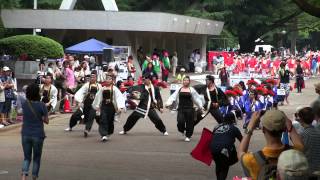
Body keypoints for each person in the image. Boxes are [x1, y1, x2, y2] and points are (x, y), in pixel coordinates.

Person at [238, 110, 304, 180]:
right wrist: (289, 125)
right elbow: (299, 144)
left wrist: (251, 125)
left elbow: (240, 152)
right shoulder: (296, 153)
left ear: (263, 129)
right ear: (285, 129)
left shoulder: (251, 159)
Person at [21, 83, 49, 180]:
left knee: (26, 157)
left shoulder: (25, 104)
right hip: (38, 134)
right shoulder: (42, 105)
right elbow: (47, 121)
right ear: (37, 93)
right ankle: (34, 177)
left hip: (25, 134)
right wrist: (42, 115)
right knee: (36, 158)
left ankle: (24, 175)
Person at [165, 76, 204, 142]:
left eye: (187, 80)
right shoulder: (179, 89)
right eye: (184, 80)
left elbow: (197, 98)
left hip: (190, 109)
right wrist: (168, 103)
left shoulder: (192, 89)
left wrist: (200, 106)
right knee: (180, 122)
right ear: (183, 81)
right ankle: (182, 130)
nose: (186, 81)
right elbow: (173, 96)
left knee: (190, 123)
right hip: (181, 108)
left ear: (189, 81)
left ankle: (188, 136)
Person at [210, 113, 243, 180]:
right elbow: (242, 140)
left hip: (212, 149)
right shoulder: (234, 128)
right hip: (224, 149)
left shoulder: (216, 127)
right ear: (233, 120)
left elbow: (213, 137)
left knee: (219, 164)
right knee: (225, 166)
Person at [296, 107, 320, 176]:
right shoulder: (318, 131)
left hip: (308, 169)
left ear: (301, 119)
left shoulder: (303, 134)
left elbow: (300, 152)